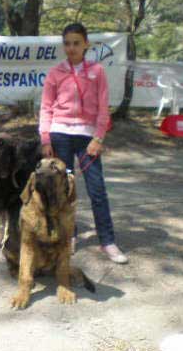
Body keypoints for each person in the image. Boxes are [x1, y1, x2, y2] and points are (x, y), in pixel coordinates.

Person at [39, 23, 127, 264]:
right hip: (60, 136)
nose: (71, 48)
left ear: (86, 44)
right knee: (63, 191)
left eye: (76, 43)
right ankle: (68, 236)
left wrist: (98, 138)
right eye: (67, 43)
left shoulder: (97, 71)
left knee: (97, 190)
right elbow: (46, 108)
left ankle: (107, 241)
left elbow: (103, 108)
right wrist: (46, 138)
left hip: (87, 138)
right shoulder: (56, 72)